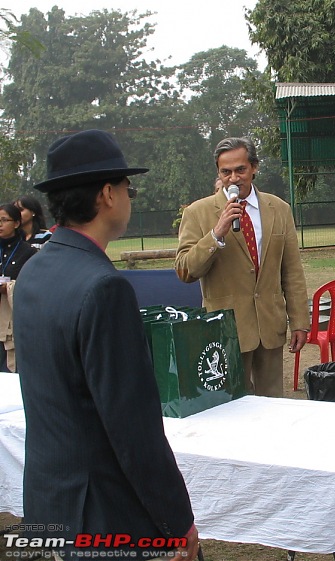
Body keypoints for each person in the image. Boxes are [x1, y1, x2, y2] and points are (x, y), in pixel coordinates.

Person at [13, 129, 199, 559]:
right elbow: (133, 428)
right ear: (107, 195)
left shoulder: (34, 272)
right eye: (126, 187)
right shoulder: (103, 288)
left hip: (50, 504)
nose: (129, 197)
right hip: (103, 517)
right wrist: (177, 521)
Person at [175, 137, 309, 397]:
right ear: (218, 172)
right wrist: (216, 234)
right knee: (233, 405)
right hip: (226, 329)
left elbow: (291, 271)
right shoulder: (198, 212)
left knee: (273, 403)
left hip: (270, 326)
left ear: (254, 168)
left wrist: (300, 321)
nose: (233, 178)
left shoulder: (279, 209)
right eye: (226, 172)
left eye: (240, 170)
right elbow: (184, 270)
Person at [0, 203, 37, 371]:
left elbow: (32, 284)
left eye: (4, 220)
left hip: (13, 322)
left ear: (16, 223)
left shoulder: (28, 252)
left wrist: (8, 287)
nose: (0, 224)